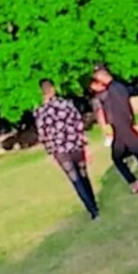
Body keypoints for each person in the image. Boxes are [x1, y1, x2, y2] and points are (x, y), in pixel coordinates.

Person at [33, 79, 99, 220]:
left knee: (75, 179)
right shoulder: (66, 104)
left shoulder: (40, 112)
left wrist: (50, 153)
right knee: (83, 175)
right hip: (75, 145)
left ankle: (92, 210)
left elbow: (43, 135)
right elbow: (79, 125)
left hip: (60, 151)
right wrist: (85, 144)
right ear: (53, 88)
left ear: (42, 92)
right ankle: (94, 202)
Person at [91, 65, 138, 193]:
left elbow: (109, 111)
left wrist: (109, 128)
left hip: (120, 128)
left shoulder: (110, 92)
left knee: (121, 157)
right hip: (126, 125)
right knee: (137, 154)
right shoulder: (119, 87)